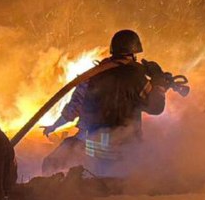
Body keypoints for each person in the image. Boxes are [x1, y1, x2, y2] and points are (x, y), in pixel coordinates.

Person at [41, 29, 168, 176]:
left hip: (93, 151)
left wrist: (54, 126)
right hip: (126, 151)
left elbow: (73, 109)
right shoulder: (136, 76)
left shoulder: (93, 74)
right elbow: (156, 107)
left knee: (53, 162)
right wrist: (159, 83)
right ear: (133, 53)